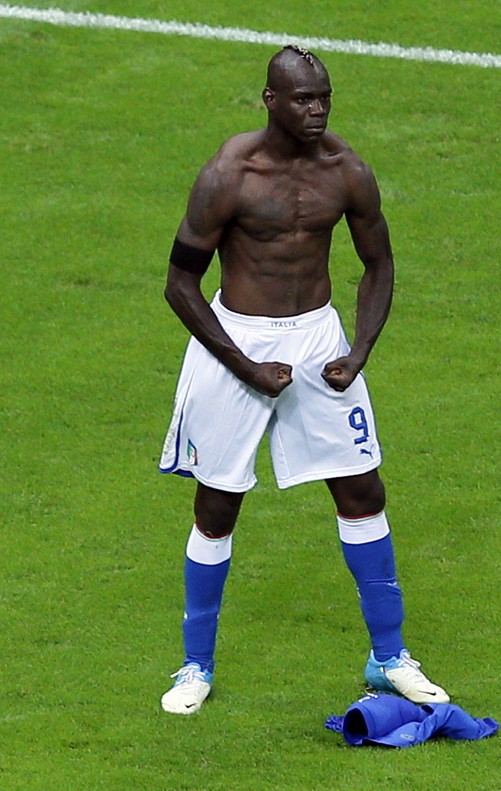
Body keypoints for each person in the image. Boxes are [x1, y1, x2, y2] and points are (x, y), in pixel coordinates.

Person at [158, 45, 450, 715]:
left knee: (362, 487)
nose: (316, 110)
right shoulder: (229, 174)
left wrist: (361, 348)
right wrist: (245, 365)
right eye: (302, 99)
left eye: (324, 98)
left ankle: (388, 657)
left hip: (318, 340)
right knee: (217, 504)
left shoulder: (347, 171)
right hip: (236, 341)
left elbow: (378, 264)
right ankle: (194, 665)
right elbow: (179, 283)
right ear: (270, 100)